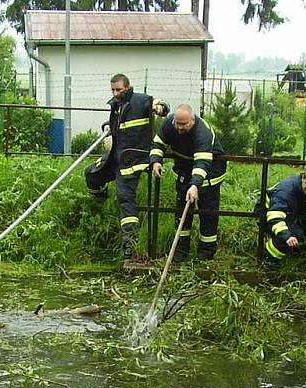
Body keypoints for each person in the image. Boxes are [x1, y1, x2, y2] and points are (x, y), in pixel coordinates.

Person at [85, 74, 168, 260]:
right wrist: (108, 126)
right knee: (91, 174)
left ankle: (129, 244)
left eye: (119, 90)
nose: (115, 93)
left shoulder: (142, 101)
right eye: (113, 90)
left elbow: (163, 107)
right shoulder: (116, 105)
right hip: (116, 156)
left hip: (133, 160)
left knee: (125, 197)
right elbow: (116, 124)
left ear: (128, 87)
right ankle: (101, 201)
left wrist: (159, 107)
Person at [149, 104, 227, 262]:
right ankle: (180, 251)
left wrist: (195, 185)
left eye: (184, 124)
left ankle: (205, 255)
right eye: (177, 123)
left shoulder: (202, 132)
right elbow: (157, 144)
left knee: (208, 214)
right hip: (184, 171)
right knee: (181, 214)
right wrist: (156, 161)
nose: (179, 127)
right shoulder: (170, 123)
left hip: (209, 175)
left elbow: (202, 164)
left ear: (193, 120)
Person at [262, 167, 306, 266]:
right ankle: (269, 256)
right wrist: (287, 236)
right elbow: (274, 216)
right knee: (293, 233)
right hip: (267, 215)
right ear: (302, 178)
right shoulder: (286, 192)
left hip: (289, 213)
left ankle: (294, 247)